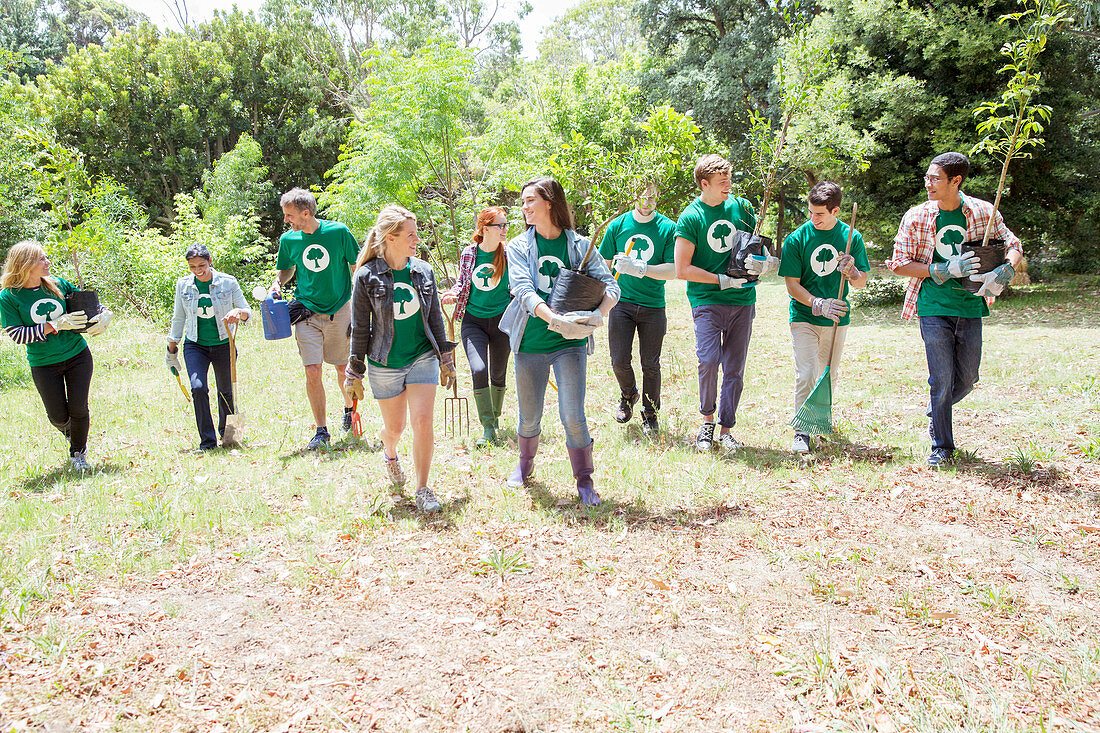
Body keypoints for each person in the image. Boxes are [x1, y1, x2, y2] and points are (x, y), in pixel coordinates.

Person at [886, 151, 1023, 467]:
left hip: (971, 306)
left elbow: (1013, 245)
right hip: (933, 305)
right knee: (942, 378)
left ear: (955, 181)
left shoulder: (982, 212)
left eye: (935, 179)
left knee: (968, 377)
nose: (928, 184)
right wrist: (940, 269)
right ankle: (942, 446)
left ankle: (938, 408)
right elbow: (898, 264)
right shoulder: (917, 216)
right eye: (927, 177)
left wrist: (1008, 268)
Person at [499, 177, 620, 506]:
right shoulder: (518, 247)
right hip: (531, 343)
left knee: (572, 415)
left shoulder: (580, 246)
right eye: (522, 202)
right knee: (529, 417)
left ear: (549, 203)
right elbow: (523, 290)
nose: (524, 208)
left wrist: (598, 315)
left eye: (530, 201)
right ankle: (524, 467)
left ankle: (584, 480)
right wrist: (555, 320)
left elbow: (610, 286)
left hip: (570, 345)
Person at [344, 205, 457, 514]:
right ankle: (390, 453)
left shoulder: (423, 271)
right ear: (391, 238)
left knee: (422, 421)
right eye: (410, 235)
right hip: (386, 363)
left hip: (422, 357)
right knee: (395, 427)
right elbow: (359, 328)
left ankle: (423, 488)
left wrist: (445, 358)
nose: (416, 240)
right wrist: (354, 372)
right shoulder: (366, 276)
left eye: (416, 234)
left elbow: (434, 318)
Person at [673, 154, 779, 453]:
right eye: (722, 182)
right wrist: (721, 280)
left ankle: (726, 429)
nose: (728, 186)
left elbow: (756, 247)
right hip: (707, 300)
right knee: (708, 361)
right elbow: (683, 269)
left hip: (743, 299)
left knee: (734, 367)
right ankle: (707, 423)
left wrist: (766, 263)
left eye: (729, 180)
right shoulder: (691, 217)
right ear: (704, 184)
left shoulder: (742, 207)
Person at [0, 241, 113, 471]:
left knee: (79, 408)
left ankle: (78, 454)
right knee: (58, 417)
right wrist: (53, 325)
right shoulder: (9, 297)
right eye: (41, 259)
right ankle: (74, 434)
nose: (47, 262)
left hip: (77, 355)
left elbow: (89, 304)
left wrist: (103, 314)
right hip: (43, 363)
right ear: (25, 264)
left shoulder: (57, 284)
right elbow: (17, 335)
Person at [778, 182, 869, 453]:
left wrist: (852, 272)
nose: (813, 219)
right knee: (806, 373)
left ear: (836, 210)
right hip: (804, 317)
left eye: (819, 214)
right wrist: (817, 303)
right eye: (810, 212)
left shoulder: (852, 238)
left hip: (837, 319)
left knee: (827, 375)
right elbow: (792, 286)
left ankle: (819, 423)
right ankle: (801, 431)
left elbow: (861, 282)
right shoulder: (797, 239)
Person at [270, 187, 359, 450]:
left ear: (305, 213)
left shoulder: (338, 233)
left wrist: (365, 303)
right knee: (312, 370)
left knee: (342, 368)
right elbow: (286, 270)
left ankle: (348, 410)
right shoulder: (289, 240)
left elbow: (357, 268)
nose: (286, 220)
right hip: (306, 312)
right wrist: (277, 283)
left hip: (339, 310)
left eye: (290, 215)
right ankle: (321, 430)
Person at [600, 183, 677, 436]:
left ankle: (650, 414)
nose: (647, 202)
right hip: (621, 303)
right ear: (633, 196)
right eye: (642, 197)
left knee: (650, 364)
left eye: (652, 197)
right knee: (619, 359)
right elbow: (602, 265)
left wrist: (641, 268)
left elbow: (673, 269)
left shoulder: (667, 228)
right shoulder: (617, 225)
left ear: (658, 197)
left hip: (653, 305)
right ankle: (628, 394)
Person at [166, 244, 251, 451]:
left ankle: (228, 435)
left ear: (210, 260)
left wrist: (238, 312)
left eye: (201, 265)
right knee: (197, 388)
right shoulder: (183, 285)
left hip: (224, 344)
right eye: (193, 267)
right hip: (196, 345)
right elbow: (179, 318)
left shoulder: (228, 282)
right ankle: (207, 442)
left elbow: (248, 312)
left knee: (226, 391)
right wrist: (171, 349)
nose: (198, 270)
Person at [442, 207, 512, 448]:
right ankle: (488, 427)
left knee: (498, 374)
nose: (504, 230)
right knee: (479, 368)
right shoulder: (469, 254)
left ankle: (495, 418)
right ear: (485, 229)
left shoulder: (510, 254)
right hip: (473, 321)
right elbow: (462, 281)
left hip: (503, 321)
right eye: (500, 226)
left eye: (505, 225)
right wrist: (453, 292)